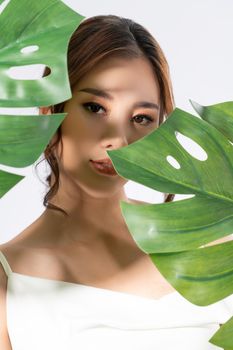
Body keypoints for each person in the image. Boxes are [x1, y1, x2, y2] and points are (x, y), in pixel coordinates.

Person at [0, 14, 231, 350]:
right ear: (51, 110)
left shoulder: (214, 247)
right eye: (95, 107)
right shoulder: (8, 285)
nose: (118, 139)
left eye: (141, 118)